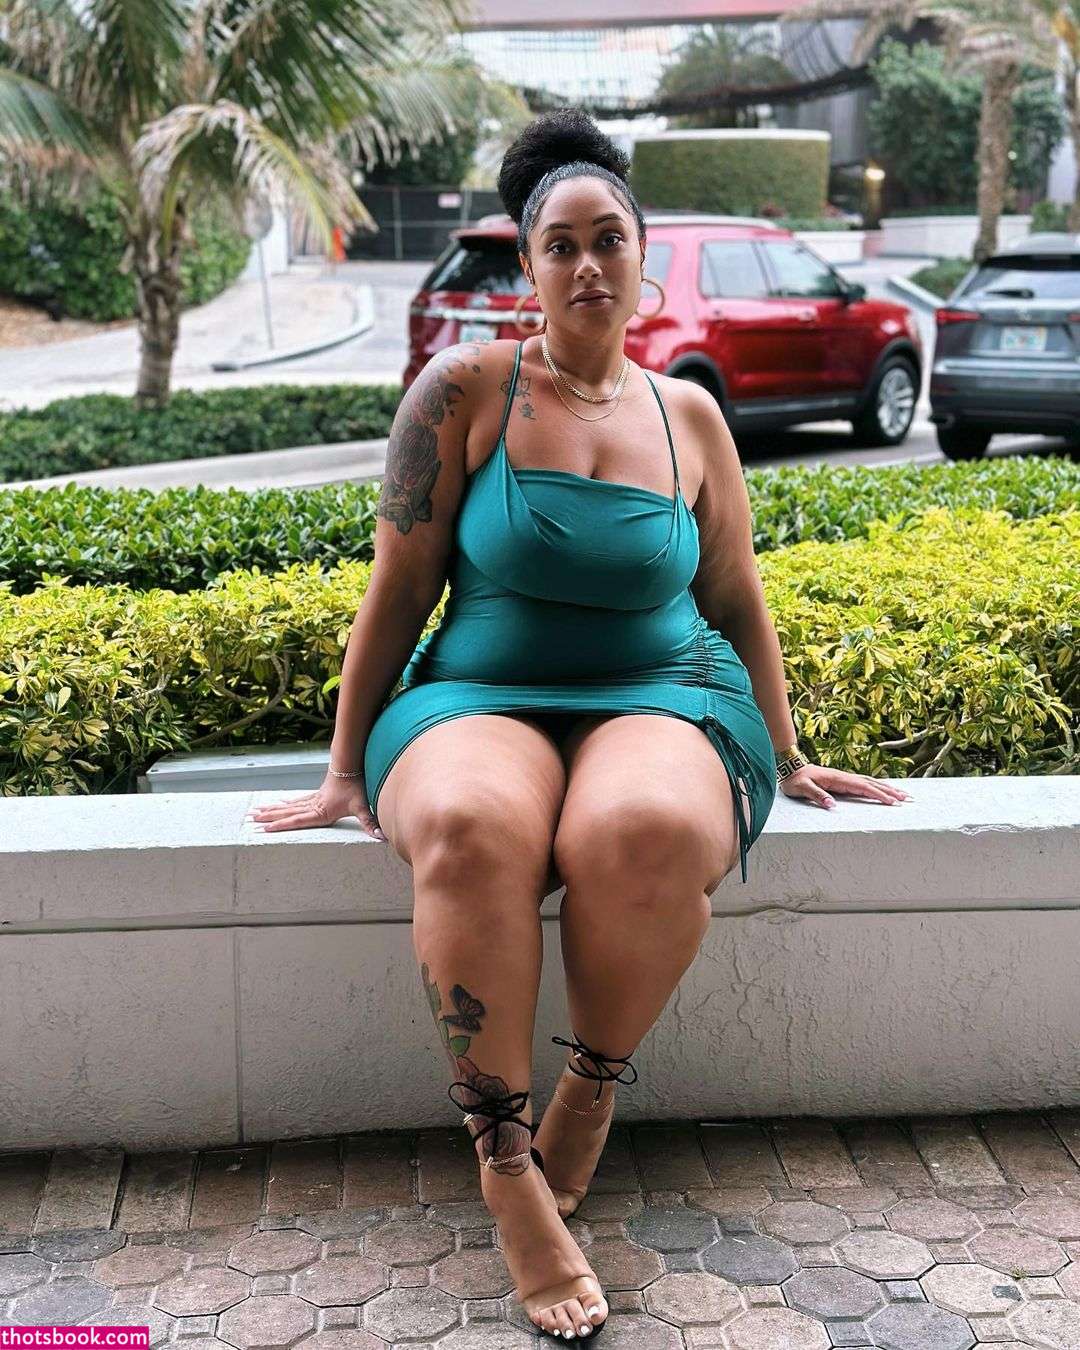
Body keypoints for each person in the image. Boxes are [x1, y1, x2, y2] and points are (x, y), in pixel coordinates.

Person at [249, 108, 912, 1342]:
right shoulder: (461, 391)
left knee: (644, 830)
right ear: (529, 264)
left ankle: (590, 1090)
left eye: (610, 239)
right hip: (475, 692)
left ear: (644, 258)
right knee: (465, 825)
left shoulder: (689, 415)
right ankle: (506, 1164)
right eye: (561, 244)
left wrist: (785, 749)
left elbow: (736, 596)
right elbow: (396, 589)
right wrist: (343, 768)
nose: (588, 264)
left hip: (665, 689)